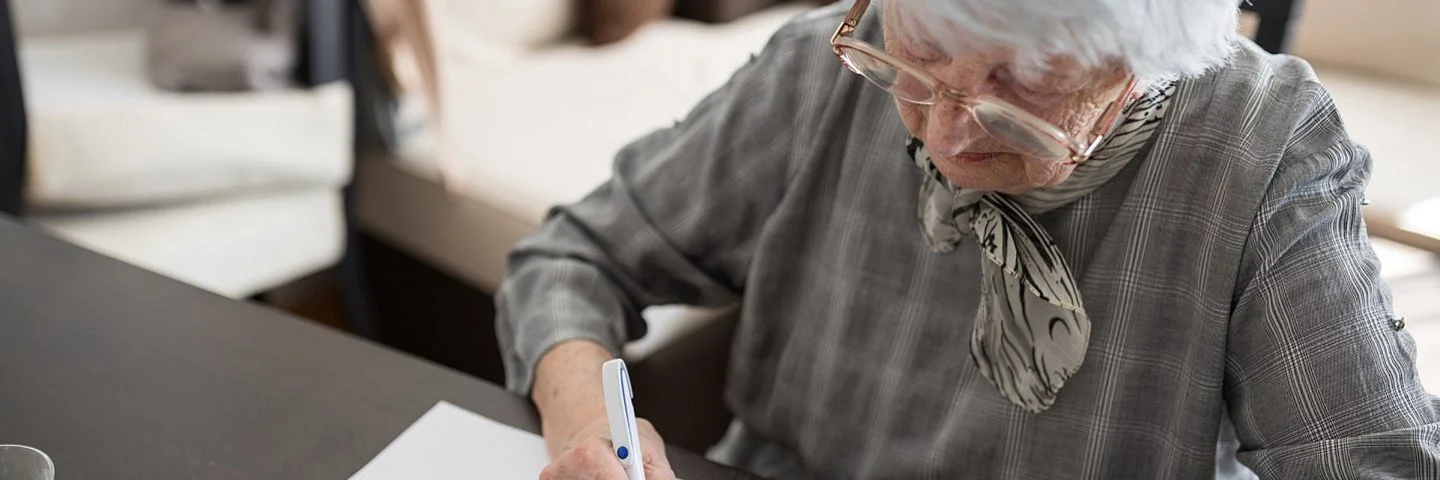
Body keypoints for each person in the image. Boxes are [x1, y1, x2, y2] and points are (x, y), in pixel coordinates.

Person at [495, 0, 1440, 478]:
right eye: (917, 59)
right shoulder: (817, 67)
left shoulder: (1258, 149)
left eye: (1018, 89)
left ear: (1145, 65)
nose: (945, 136)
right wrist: (589, 433)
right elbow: (574, 259)